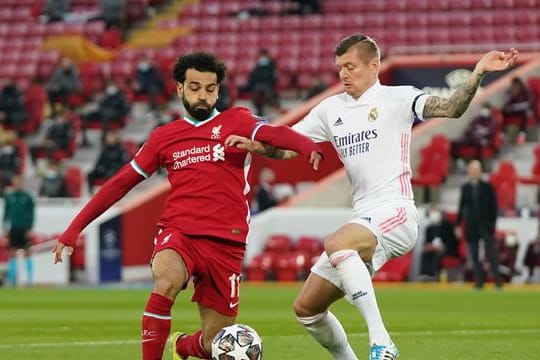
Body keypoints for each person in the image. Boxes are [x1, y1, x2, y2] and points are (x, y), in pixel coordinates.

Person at [226, 34, 518, 359]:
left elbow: (451, 108)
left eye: (350, 66)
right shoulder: (330, 109)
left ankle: (382, 342)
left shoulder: (399, 98)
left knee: (337, 243)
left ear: (374, 65)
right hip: (364, 219)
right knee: (307, 309)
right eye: (339, 68)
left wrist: (477, 72)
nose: (343, 75)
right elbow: (289, 146)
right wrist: (259, 146)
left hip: (396, 211)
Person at [53, 51, 322, 360]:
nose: (202, 95)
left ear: (218, 90)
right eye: (194, 87)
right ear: (179, 88)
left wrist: (307, 145)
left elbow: (275, 134)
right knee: (166, 282)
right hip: (179, 231)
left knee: (215, 343)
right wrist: (74, 229)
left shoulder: (237, 120)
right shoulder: (163, 137)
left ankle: (182, 345)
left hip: (227, 241)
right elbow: (119, 184)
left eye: (210, 88)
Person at [456, 159, 503, 289]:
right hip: (471, 226)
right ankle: (479, 281)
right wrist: (458, 225)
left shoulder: (488, 187)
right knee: (474, 255)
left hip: (485, 226)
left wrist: (492, 225)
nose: (473, 172)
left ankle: (497, 281)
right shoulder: (465, 188)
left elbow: (494, 208)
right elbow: (461, 207)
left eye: (476, 170)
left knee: (491, 253)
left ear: (480, 171)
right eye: (471, 169)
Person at [3, 175, 35, 286]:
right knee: (12, 253)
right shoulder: (9, 197)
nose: (18, 184)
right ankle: (12, 280)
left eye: (20, 182)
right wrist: (5, 227)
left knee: (27, 252)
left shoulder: (27, 197)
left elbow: (32, 213)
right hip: (13, 228)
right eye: (16, 182)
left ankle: (29, 280)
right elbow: (6, 213)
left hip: (24, 228)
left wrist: (30, 227)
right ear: (13, 183)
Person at [419, 208, 459, 281]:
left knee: (437, 255)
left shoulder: (448, 226)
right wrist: (429, 246)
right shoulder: (429, 228)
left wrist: (442, 246)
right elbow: (426, 242)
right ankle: (424, 274)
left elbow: (453, 241)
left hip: (445, 249)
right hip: (432, 249)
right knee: (424, 254)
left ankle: (433, 275)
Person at [240, 49, 279, 117]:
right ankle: (258, 109)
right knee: (256, 90)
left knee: (264, 90)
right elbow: (252, 78)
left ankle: (272, 106)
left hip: (267, 85)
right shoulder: (257, 66)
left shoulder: (272, 66)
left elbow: (273, 79)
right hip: (257, 86)